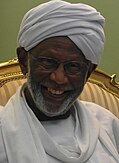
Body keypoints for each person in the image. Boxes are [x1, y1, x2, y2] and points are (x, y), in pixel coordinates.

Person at [0, 0, 119, 162]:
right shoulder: (2, 129)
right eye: (48, 62)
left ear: (88, 72)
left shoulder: (106, 123)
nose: (59, 78)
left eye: (73, 66)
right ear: (24, 61)